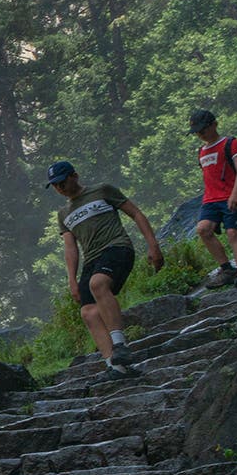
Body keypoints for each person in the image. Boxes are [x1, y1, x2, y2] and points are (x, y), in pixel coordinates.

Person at [46, 160, 164, 378]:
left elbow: (136, 213)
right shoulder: (63, 214)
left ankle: (120, 346)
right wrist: (71, 279)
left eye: (62, 182)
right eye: (55, 185)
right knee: (88, 312)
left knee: (97, 283)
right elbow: (70, 248)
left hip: (117, 247)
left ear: (74, 175)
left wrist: (153, 245)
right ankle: (116, 367)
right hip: (92, 260)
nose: (60, 188)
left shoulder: (102, 190)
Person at [188, 109, 237, 288]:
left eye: (203, 130)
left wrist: (235, 193)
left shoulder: (230, 143)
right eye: (197, 132)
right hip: (210, 199)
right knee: (203, 230)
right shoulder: (201, 151)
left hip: (231, 195)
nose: (200, 135)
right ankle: (226, 269)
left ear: (214, 125)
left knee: (233, 232)